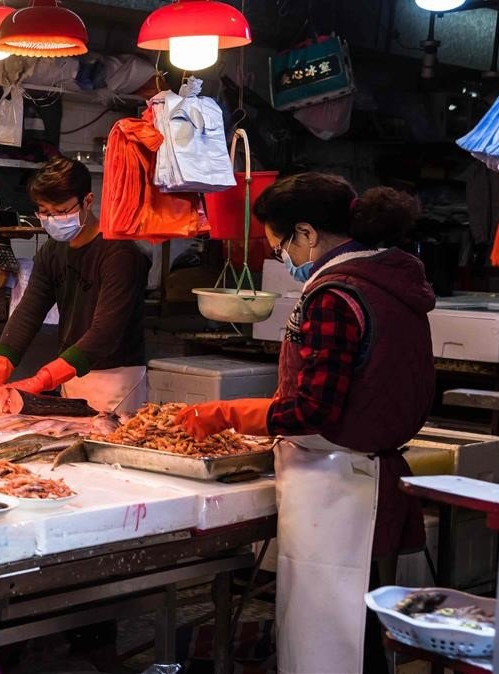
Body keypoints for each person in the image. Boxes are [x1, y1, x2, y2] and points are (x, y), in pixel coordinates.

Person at [176, 173, 434, 674]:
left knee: (330, 638)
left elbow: (314, 410)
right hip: (366, 474)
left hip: (337, 481)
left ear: (308, 234)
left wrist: (228, 413)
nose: (280, 258)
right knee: (355, 635)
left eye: (278, 247)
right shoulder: (390, 282)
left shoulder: (336, 295)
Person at [0, 156, 151, 413]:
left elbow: (105, 333)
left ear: (88, 201)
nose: (53, 220)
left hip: (116, 379)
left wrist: (41, 380)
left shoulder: (119, 253)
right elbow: (29, 311)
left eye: (61, 212)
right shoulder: (53, 250)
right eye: (45, 212)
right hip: (69, 376)